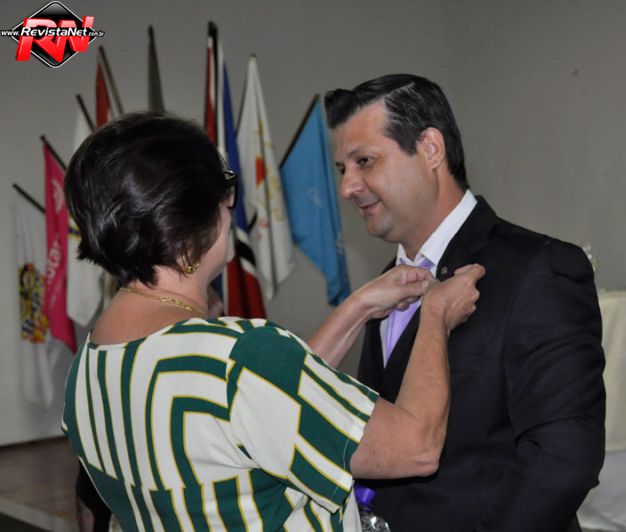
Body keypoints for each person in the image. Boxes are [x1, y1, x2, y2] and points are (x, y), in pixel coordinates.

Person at [61, 112, 484, 531]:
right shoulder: (240, 356)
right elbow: (414, 447)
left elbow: (265, 405)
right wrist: (436, 315)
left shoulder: (87, 369)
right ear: (185, 223)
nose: (231, 205)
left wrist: (359, 306)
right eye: (225, 188)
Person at [326, 74, 605, 531]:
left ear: (430, 149)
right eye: (343, 169)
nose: (347, 187)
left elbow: (563, 459)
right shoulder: (385, 285)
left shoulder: (539, 268)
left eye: (365, 161)